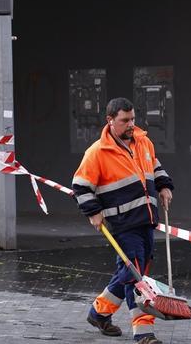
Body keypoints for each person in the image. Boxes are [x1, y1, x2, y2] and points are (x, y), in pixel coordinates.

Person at [72, 97, 174, 344]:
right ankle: (143, 333)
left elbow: (156, 167)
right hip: (122, 225)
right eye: (125, 120)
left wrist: (164, 186)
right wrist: (93, 212)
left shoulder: (144, 142)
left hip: (146, 220)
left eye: (133, 119)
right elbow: (81, 186)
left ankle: (99, 313)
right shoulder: (97, 152)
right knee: (137, 277)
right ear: (110, 120)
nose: (131, 124)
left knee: (130, 273)